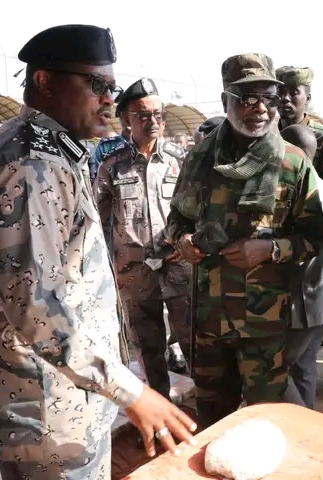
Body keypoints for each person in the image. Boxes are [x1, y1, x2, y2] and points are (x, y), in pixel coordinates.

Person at [0, 24, 196, 479]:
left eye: (112, 88)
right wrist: (131, 392)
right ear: (45, 81)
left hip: (58, 394)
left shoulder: (47, 150)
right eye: (97, 84)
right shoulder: (30, 167)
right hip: (46, 407)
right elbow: (35, 307)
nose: (108, 99)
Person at [167, 53, 323, 428]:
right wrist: (182, 240)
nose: (260, 108)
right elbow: (176, 219)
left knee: (266, 423)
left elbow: (314, 238)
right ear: (226, 101)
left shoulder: (292, 163)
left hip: (264, 324)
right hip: (209, 321)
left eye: (268, 97)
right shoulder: (200, 159)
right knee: (213, 421)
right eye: (247, 98)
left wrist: (269, 250)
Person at [95, 77, 192, 391]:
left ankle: (204, 409)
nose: (153, 121)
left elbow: (200, 211)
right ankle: (160, 407)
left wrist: (189, 241)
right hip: (135, 273)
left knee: (194, 343)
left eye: (157, 114)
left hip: (180, 268)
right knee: (149, 350)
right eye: (143, 115)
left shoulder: (181, 161)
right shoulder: (112, 167)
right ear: (127, 120)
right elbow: (98, 223)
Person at [280, 124, 323, 409]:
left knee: (274, 371)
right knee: (303, 368)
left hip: (303, 303)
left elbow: (298, 251)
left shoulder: (302, 191)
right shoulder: (320, 186)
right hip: (321, 300)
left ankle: (301, 425)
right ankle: (307, 421)